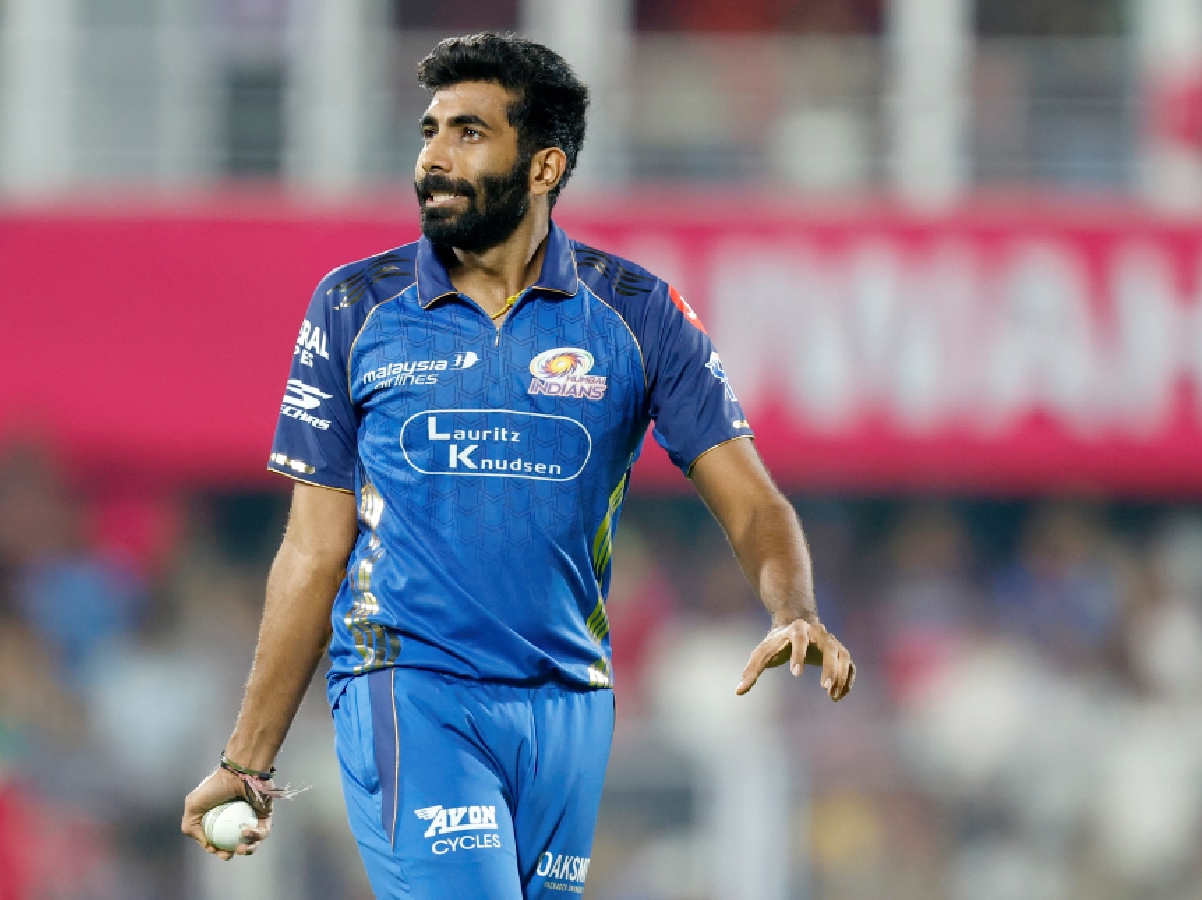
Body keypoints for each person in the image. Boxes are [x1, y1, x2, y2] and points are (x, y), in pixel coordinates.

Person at [181, 31, 856, 898]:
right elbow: (313, 553)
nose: (432, 157)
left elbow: (754, 506)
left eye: (468, 133)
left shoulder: (638, 315)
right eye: (429, 131)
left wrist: (793, 607)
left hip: (569, 702)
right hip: (411, 686)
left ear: (542, 168)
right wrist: (248, 761)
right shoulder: (354, 306)